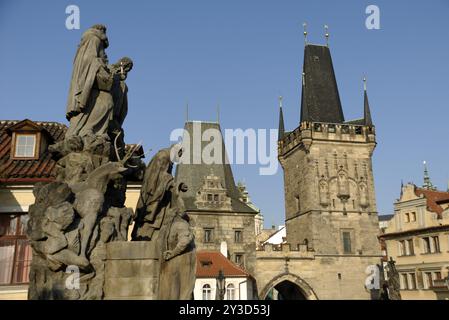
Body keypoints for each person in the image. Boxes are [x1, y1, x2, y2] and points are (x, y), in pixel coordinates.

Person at [65, 24, 115, 138]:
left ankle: (88, 130)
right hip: (89, 80)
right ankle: (88, 130)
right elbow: (90, 59)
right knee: (106, 101)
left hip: (89, 78)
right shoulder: (94, 39)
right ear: (102, 31)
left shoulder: (89, 40)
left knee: (105, 101)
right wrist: (102, 66)